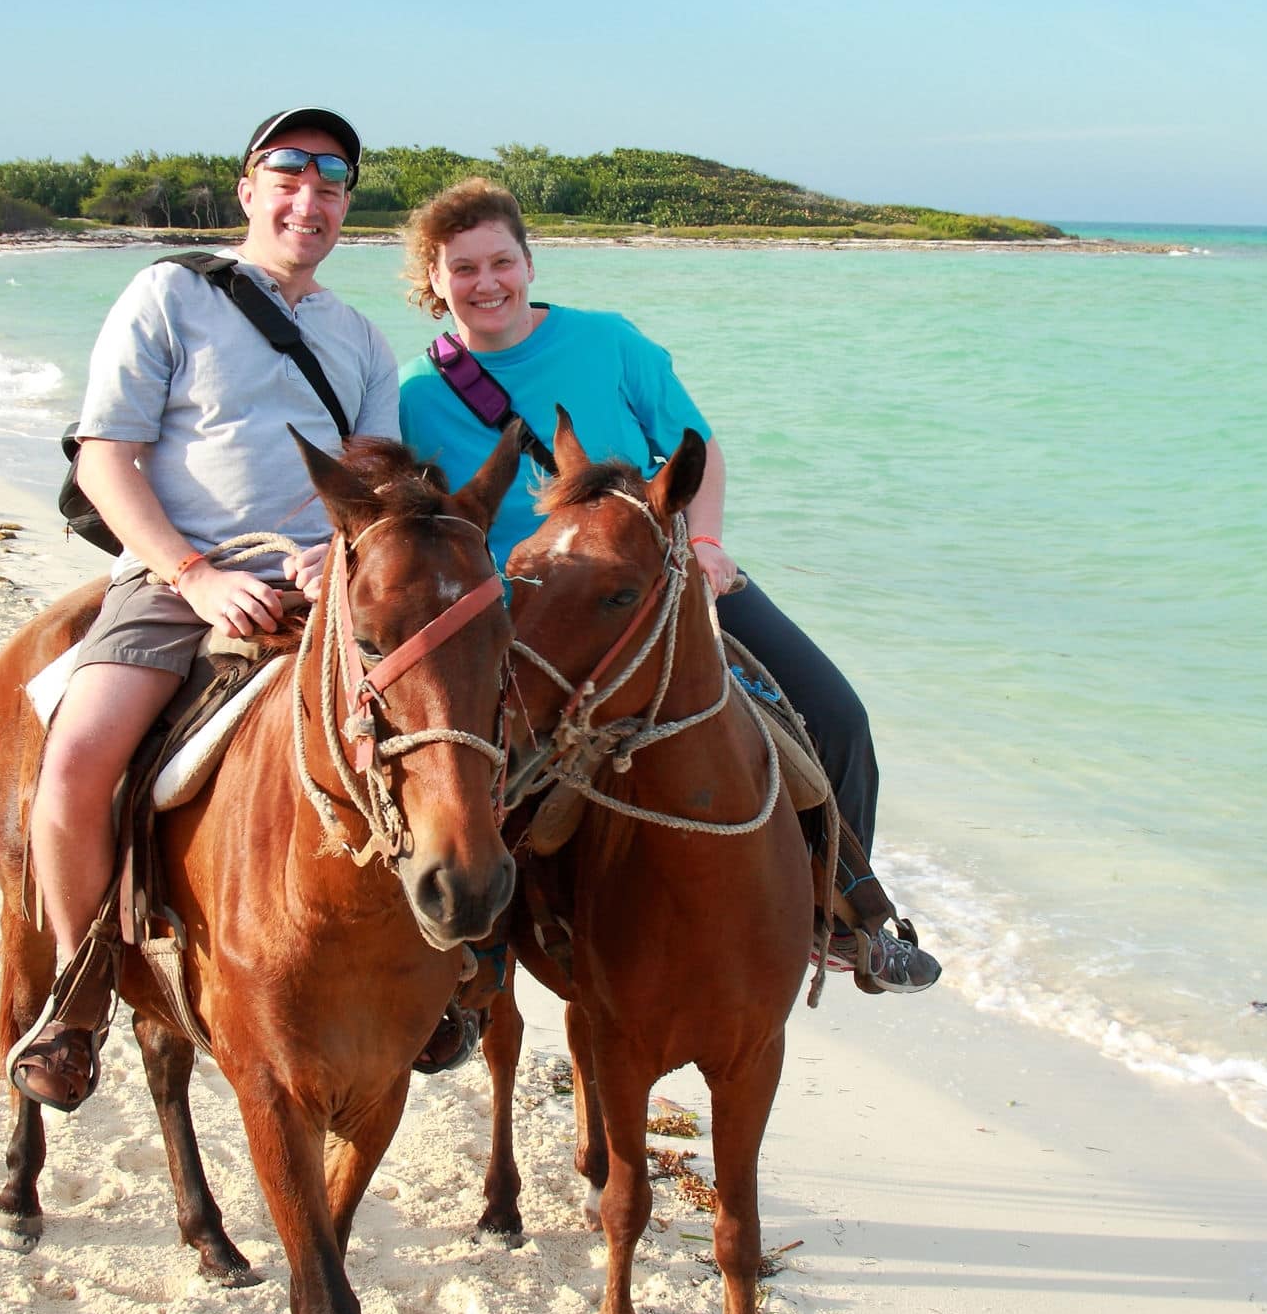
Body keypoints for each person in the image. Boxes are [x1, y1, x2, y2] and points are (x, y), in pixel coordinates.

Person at [395, 177, 940, 994]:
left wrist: (710, 540)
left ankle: (840, 914)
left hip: (663, 583)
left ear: (529, 263)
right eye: (463, 268)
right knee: (476, 779)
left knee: (835, 716)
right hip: (528, 616)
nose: (487, 283)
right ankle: (472, 970)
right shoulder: (415, 393)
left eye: (501, 260)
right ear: (433, 282)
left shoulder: (609, 342)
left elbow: (700, 447)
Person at [7, 107, 400, 1112]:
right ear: (248, 189)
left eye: (330, 183)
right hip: (183, 576)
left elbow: (379, 482)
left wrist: (336, 552)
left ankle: (444, 973)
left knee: (446, 739)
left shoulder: (359, 339)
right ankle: (82, 990)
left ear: (345, 204)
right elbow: (104, 458)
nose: (308, 199)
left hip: (322, 584)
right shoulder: (169, 294)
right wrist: (192, 573)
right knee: (80, 756)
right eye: (288, 176)